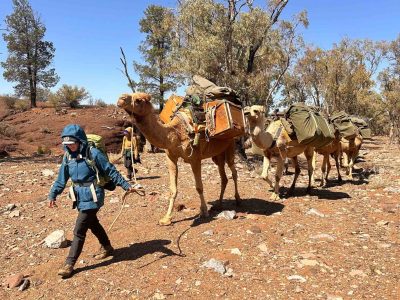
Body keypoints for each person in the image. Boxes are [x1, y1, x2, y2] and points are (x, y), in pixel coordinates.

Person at [48, 124, 135, 278]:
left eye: (72, 143)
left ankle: (69, 263)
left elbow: (110, 170)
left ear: (79, 141)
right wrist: (53, 195)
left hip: (94, 195)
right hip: (79, 196)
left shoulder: (92, 153)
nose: (70, 147)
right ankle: (107, 247)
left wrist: (126, 185)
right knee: (92, 223)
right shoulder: (67, 156)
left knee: (79, 230)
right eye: (67, 144)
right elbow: (61, 179)